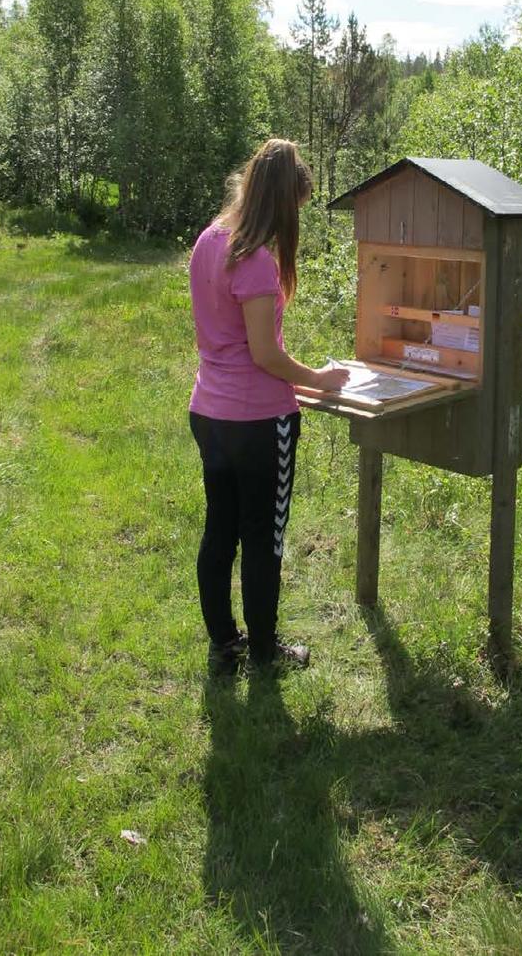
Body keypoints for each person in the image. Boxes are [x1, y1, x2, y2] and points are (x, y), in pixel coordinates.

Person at [188, 139, 349, 674]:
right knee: (263, 539)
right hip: (259, 423)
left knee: (220, 531)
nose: (290, 228)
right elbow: (264, 354)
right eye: (293, 214)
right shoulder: (253, 259)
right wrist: (318, 380)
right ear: (279, 203)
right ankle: (262, 655)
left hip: (210, 413)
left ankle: (224, 646)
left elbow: (233, 344)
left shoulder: (210, 240)